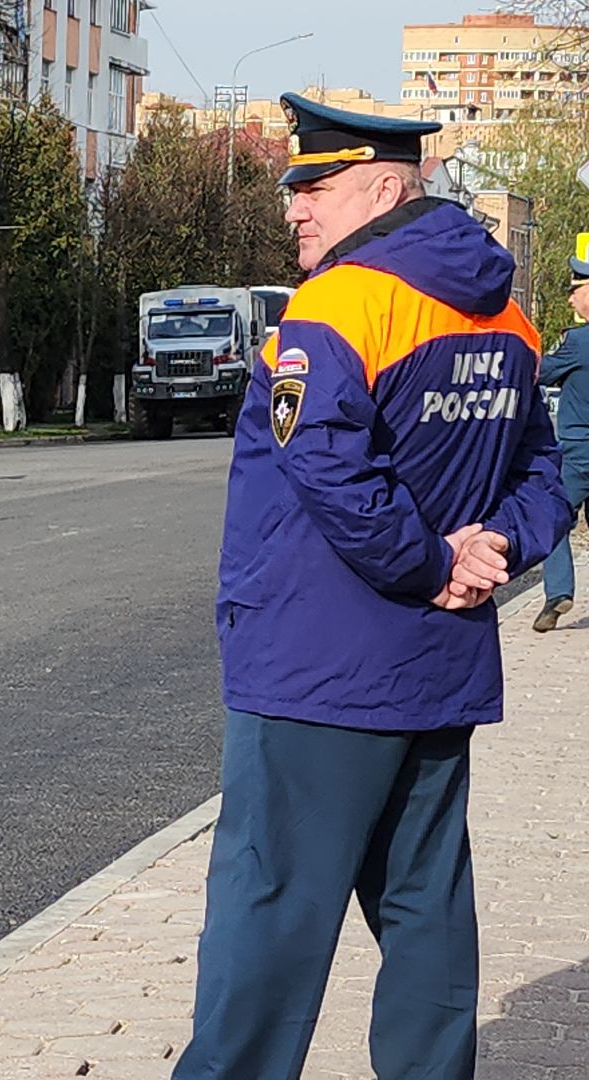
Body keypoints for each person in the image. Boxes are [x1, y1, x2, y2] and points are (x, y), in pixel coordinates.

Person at [175, 93, 572, 1079]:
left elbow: (326, 468)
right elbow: (544, 476)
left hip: (319, 670)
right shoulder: (509, 317)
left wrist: (435, 564)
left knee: (268, 919)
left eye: (315, 187)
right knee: (426, 908)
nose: (294, 209)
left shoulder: (338, 305)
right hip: (437, 671)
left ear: (386, 187)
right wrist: (494, 556)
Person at [532, 256, 589, 632]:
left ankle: (557, 595)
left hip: (579, 452)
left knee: (551, 518)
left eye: (574, 291)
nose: (570, 300)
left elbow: (538, 372)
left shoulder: (577, 342)